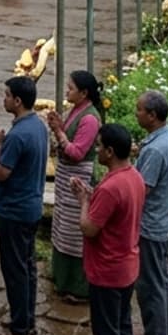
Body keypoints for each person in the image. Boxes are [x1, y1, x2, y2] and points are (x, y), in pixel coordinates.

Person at [0, 75, 48, 335]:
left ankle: (19, 328)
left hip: (15, 210)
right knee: (27, 267)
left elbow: (2, 172)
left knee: (15, 270)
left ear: (18, 100)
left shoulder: (19, 135)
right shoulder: (37, 126)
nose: (4, 99)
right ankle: (26, 318)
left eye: (7, 95)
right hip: (32, 205)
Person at [75, 124, 145, 335]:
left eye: (99, 146)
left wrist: (84, 202)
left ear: (110, 151)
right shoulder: (135, 177)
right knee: (122, 324)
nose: (96, 150)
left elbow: (89, 228)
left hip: (108, 270)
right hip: (127, 266)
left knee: (106, 333)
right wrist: (92, 197)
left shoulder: (111, 187)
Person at [47, 70, 106, 302]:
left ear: (84, 93)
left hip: (78, 178)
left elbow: (77, 152)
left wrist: (59, 132)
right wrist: (59, 127)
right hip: (67, 178)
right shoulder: (76, 110)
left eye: (71, 88)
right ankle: (61, 277)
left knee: (73, 232)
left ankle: (78, 286)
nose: (67, 91)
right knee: (62, 226)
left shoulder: (90, 118)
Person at [135, 89, 168, 335]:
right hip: (161, 221)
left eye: (139, 110)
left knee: (150, 283)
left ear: (152, 115)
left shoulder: (156, 150)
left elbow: (141, 190)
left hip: (151, 226)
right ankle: (159, 332)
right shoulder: (166, 138)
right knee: (159, 281)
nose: (136, 114)